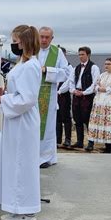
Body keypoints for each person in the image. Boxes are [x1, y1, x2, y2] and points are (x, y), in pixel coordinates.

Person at [0, 25, 42, 220]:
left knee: (22, 164)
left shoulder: (30, 66)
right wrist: (4, 91)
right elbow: (18, 90)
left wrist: (3, 100)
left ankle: (24, 211)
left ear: (24, 42)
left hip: (23, 121)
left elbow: (28, 98)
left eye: (15, 40)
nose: (13, 44)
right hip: (17, 120)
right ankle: (16, 207)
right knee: (15, 163)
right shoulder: (23, 63)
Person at [36, 27, 70, 168]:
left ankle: (44, 157)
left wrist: (48, 70)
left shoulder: (57, 52)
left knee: (47, 127)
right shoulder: (31, 49)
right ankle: (31, 155)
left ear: (52, 38)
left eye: (47, 37)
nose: (44, 40)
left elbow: (66, 72)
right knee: (32, 126)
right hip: (31, 95)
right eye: (41, 36)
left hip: (48, 96)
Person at [68, 46, 100, 149]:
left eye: (83, 54)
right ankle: (79, 141)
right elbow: (71, 81)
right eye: (79, 54)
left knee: (88, 120)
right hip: (77, 95)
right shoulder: (76, 68)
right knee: (77, 119)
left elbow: (95, 83)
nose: (80, 56)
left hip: (87, 97)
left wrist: (84, 93)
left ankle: (90, 143)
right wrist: (73, 90)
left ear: (88, 55)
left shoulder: (94, 67)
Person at [87, 58, 111, 153]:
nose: (106, 66)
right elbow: (96, 86)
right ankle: (94, 143)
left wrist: (106, 89)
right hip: (99, 103)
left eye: (109, 64)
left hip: (110, 104)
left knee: (109, 124)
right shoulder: (102, 75)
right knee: (98, 122)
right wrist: (98, 88)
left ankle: (110, 147)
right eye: (105, 64)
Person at [55, 47, 73, 148]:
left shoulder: (69, 66)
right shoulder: (54, 66)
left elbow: (69, 80)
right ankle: (57, 139)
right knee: (57, 118)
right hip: (55, 94)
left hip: (63, 94)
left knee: (66, 117)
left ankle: (68, 139)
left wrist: (60, 90)